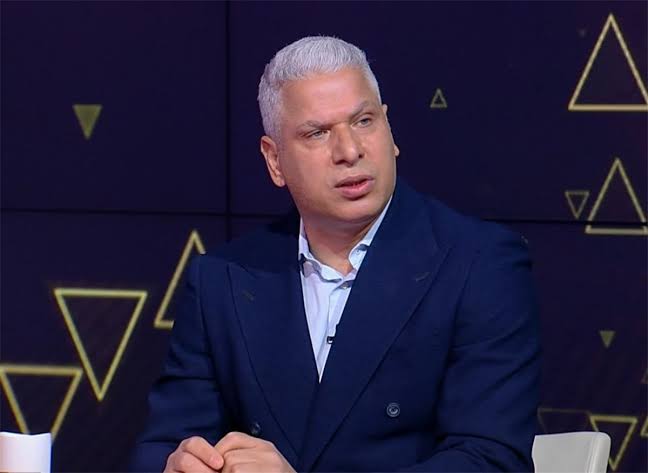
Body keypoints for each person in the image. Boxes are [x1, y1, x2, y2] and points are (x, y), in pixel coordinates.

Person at [131, 36, 541, 472]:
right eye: (317, 133)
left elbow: (490, 460)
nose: (349, 151)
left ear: (389, 130)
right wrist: (179, 464)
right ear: (274, 160)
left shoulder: (480, 264)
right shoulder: (222, 278)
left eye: (364, 121)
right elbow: (162, 444)